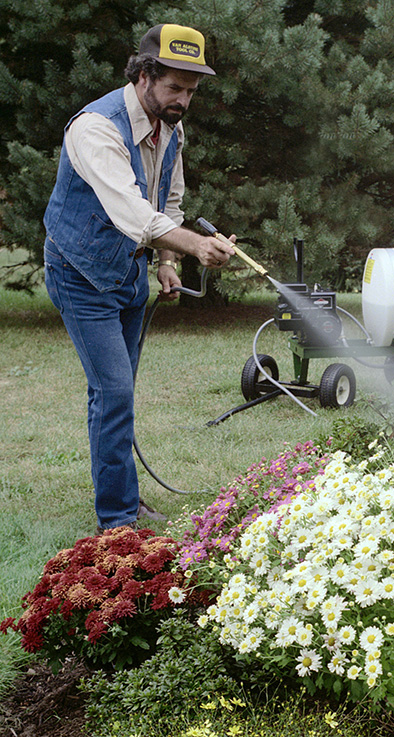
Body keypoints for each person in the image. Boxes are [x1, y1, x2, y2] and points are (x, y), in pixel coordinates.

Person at [43, 23, 235, 533]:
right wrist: (192, 245)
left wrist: (167, 263)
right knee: (114, 392)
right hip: (79, 271)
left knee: (115, 390)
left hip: (129, 272)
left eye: (191, 92)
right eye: (174, 88)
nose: (183, 101)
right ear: (144, 75)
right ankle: (118, 520)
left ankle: (121, 497)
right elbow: (131, 209)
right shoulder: (95, 128)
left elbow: (166, 198)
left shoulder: (170, 125)